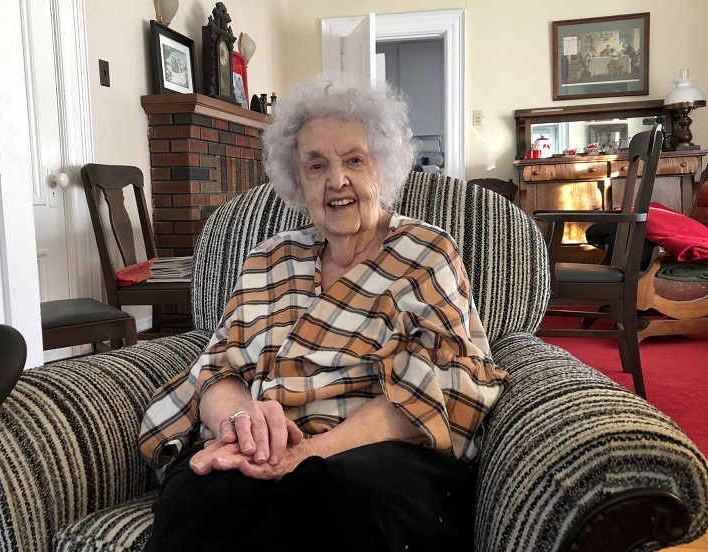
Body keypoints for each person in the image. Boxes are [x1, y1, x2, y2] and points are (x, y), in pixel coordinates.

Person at [138, 76, 510, 552]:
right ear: (298, 182)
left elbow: (453, 379)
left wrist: (305, 454)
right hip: (265, 447)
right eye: (317, 166)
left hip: (377, 455)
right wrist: (244, 426)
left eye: (354, 160)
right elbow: (216, 367)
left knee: (326, 495)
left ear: (383, 166)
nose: (337, 180)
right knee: (199, 495)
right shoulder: (268, 259)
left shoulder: (426, 251)